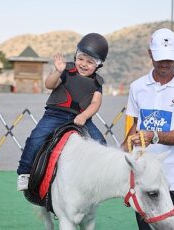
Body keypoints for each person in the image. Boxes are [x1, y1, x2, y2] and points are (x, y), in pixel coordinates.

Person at [121, 28, 174, 230]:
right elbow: (136, 125)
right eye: (160, 58)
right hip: (147, 178)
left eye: (170, 58)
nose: (165, 63)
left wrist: (154, 137)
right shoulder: (137, 87)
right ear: (150, 54)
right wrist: (125, 146)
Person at [17, 33, 109, 191]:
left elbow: (95, 103)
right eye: (81, 59)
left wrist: (84, 115)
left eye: (90, 62)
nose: (84, 64)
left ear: (98, 65)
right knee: (36, 138)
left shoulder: (97, 83)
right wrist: (57, 71)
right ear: (75, 57)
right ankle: (25, 172)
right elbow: (49, 85)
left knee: (101, 144)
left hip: (82, 119)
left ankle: (98, 178)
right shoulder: (65, 70)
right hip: (55, 115)